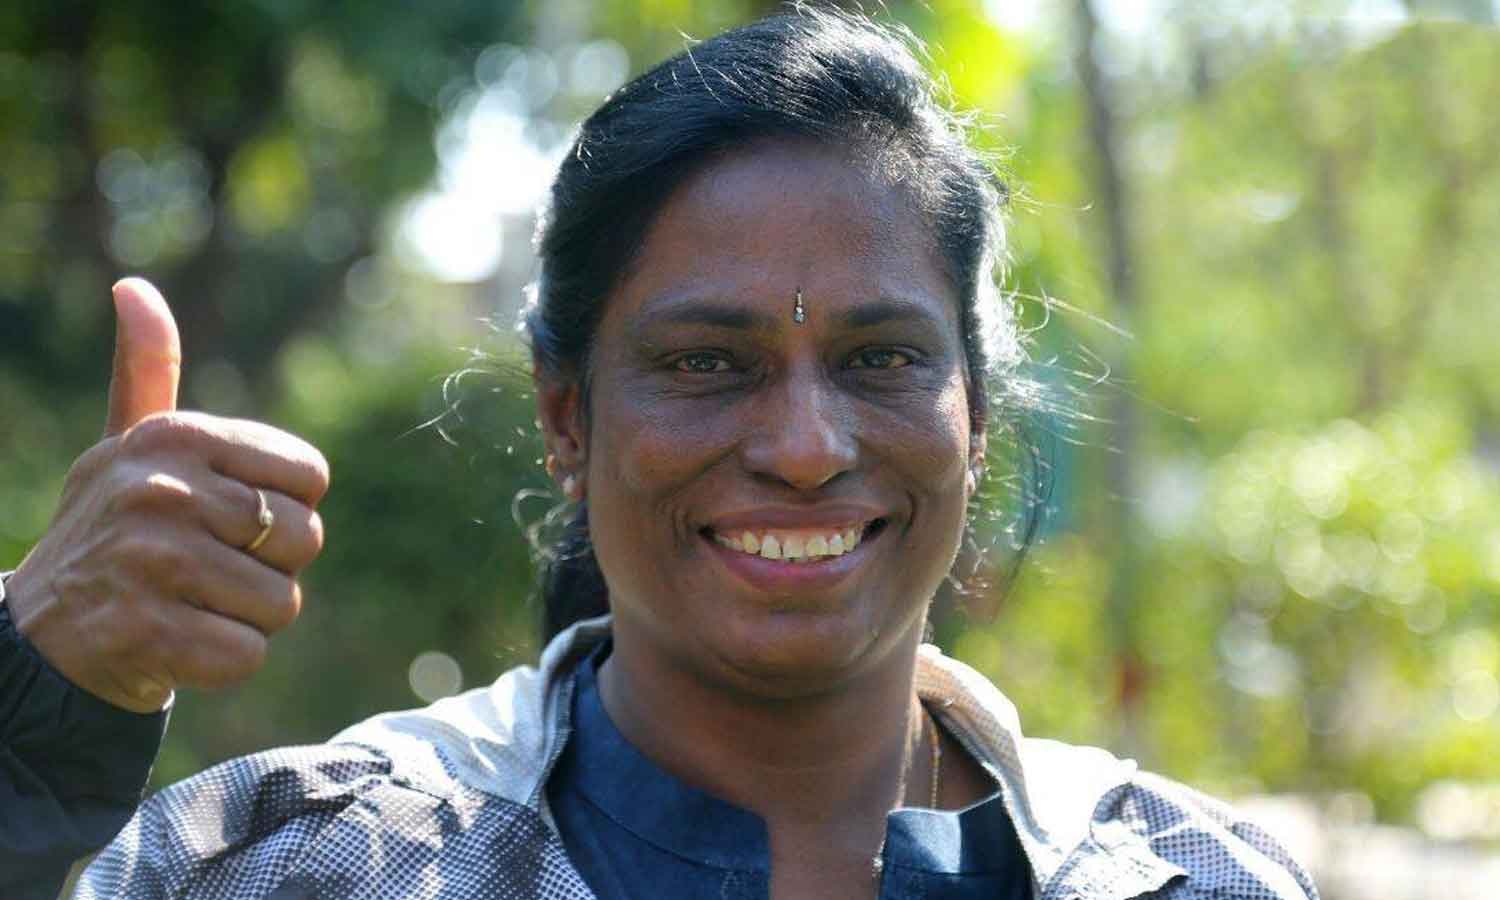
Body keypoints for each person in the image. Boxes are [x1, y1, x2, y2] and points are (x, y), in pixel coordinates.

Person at [1, 6, 1319, 898]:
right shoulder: (298, 863)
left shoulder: (1191, 877)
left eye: (880, 359)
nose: (805, 448)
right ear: (567, 419)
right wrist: (33, 720)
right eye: (705, 363)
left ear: (976, 420)